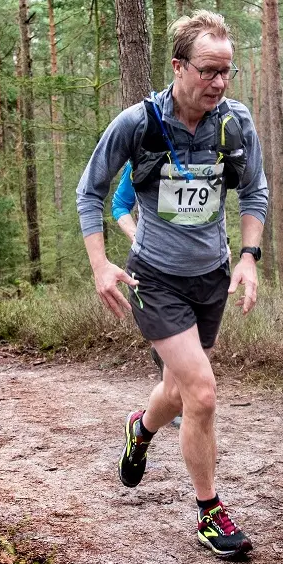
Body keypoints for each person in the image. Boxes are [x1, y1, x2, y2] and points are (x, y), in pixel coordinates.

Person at [76, 10, 268, 558]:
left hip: (210, 274)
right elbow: (90, 193)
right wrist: (99, 264)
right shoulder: (137, 123)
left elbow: (255, 193)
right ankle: (210, 511)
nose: (220, 82)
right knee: (202, 393)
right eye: (209, 71)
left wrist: (249, 257)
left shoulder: (235, 123)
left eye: (227, 71)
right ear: (179, 67)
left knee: (181, 389)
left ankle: (140, 428)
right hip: (154, 276)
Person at [111, 165, 182, 427]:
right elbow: (119, 204)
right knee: (173, 329)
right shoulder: (144, 155)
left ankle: (170, 375)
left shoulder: (206, 151)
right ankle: (174, 399)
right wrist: (136, 235)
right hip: (154, 262)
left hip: (198, 264)